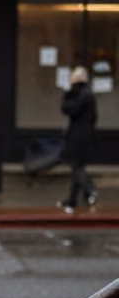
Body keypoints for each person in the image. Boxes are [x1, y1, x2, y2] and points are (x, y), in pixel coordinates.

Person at [58, 66, 98, 213]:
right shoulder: (88, 94)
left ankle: (90, 189)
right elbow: (94, 117)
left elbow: (69, 110)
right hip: (85, 135)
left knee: (76, 167)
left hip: (77, 136)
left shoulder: (82, 94)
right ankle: (73, 200)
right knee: (78, 166)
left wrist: (67, 94)